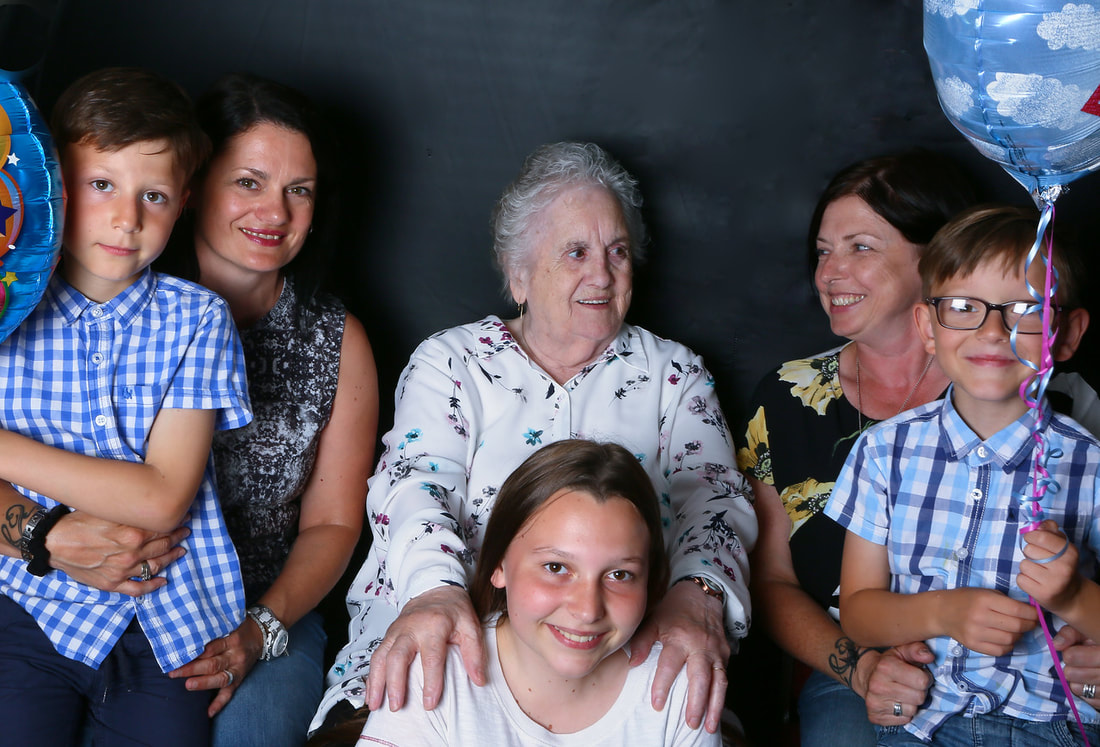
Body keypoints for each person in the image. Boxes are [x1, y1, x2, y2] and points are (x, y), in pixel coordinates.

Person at [314, 141, 756, 739]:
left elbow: (715, 499)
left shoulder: (673, 375)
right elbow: (412, 485)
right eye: (576, 252)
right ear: (517, 273)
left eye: (617, 251)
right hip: (445, 640)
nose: (602, 274)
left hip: (613, 657)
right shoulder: (452, 363)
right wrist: (436, 590)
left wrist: (697, 594)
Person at [1, 72, 379, 746]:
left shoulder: (303, 334)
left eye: (299, 190)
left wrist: (259, 629)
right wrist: (44, 536)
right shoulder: (59, 292)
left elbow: (332, 522)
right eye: (249, 182)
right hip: (55, 584)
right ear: (197, 188)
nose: (274, 211)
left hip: (236, 602)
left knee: (249, 733)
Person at [733, 151, 1100, 744]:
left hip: (1045, 701)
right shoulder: (808, 408)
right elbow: (776, 582)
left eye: (860, 247)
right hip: (888, 678)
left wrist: (1085, 636)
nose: (830, 272)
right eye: (823, 251)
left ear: (930, 257)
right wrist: (862, 666)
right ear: (934, 319)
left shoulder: (1073, 422)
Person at [0, 67, 251, 745]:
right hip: (28, 600)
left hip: (166, 619)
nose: (127, 218)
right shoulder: (7, 308)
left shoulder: (197, 319)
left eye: (154, 196)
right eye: (101, 184)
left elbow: (162, 497)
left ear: (184, 202)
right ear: (54, 180)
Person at [826, 204, 1100, 744]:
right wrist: (943, 612)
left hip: (1051, 726)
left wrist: (1072, 597)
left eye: (1025, 309)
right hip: (923, 721)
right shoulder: (883, 452)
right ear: (927, 327)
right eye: (962, 307)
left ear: (1066, 333)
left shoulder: (1091, 466)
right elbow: (858, 613)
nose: (993, 331)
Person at [360, 439, 721, 745]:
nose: (587, 610)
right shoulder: (433, 673)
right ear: (499, 564)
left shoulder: (680, 685)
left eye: (619, 574)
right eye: (556, 568)